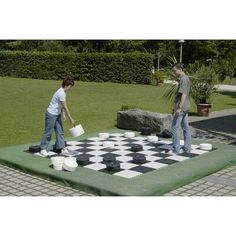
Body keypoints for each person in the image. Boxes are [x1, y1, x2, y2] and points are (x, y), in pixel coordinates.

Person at [40, 78, 75, 157]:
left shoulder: (64, 92)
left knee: (60, 131)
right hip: (51, 114)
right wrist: (71, 119)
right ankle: (43, 149)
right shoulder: (61, 93)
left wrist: (62, 113)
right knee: (48, 131)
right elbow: (65, 107)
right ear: (66, 85)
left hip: (57, 114)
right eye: (70, 86)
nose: (71, 88)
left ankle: (62, 148)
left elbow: (61, 105)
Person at [171, 63, 191, 154]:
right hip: (186, 107)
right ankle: (187, 148)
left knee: (175, 127)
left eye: (175, 70)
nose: (174, 72)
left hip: (182, 108)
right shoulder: (185, 78)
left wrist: (179, 108)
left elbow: (183, 94)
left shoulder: (183, 79)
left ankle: (176, 149)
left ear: (180, 69)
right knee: (186, 127)